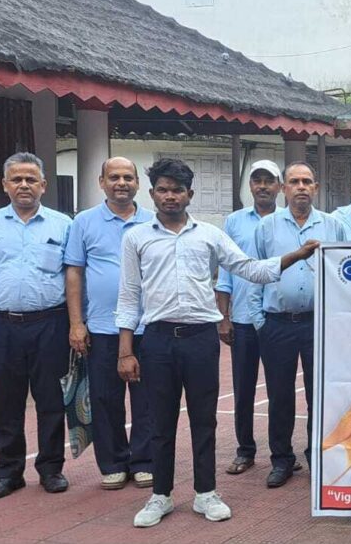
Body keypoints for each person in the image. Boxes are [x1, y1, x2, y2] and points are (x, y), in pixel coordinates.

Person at [117, 158, 318, 528]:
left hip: (200, 339)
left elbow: (250, 268)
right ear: (153, 194)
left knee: (204, 420)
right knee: (159, 420)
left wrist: (296, 256)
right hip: (157, 340)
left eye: (177, 190)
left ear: (189, 194)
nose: (170, 196)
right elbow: (129, 296)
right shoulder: (136, 238)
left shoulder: (209, 234)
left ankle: (205, 493)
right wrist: (126, 351)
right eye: (163, 190)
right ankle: (160, 495)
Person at [0, 152, 73, 500]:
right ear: (5, 185)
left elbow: (73, 277)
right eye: (17, 179)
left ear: (43, 185)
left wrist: (77, 324)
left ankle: (51, 469)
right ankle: (9, 473)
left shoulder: (63, 225)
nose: (24, 185)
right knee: (6, 402)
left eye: (31, 179)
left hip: (51, 324)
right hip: (2, 326)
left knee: (51, 400)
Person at [254, 162, 348, 488]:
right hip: (277, 324)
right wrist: (259, 321)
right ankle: (281, 460)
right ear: (284, 189)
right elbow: (255, 273)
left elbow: (345, 272)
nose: (301, 187)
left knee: (318, 396)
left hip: (317, 325)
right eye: (294, 181)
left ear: (316, 187)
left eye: (307, 181)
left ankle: (317, 458)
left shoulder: (333, 226)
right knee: (279, 396)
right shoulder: (266, 227)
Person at [65, 157, 155, 490]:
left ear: (137, 184)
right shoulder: (84, 222)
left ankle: (145, 461)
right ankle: (114, 462)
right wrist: (77, 323)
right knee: (104, 399)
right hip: (102, 328)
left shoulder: (153, 221)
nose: (121, 183)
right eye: (114, 177)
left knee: (147, 399)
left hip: (147, 326)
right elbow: (74, 272)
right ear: (101, 182)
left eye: (128, 177)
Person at [214, 160, 282, 476]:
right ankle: (245, 450)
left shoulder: (288, 220)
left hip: (277, 318)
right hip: (242, 319)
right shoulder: (234, 222)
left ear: (279, 186)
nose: (263, 186)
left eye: (269, 180)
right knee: (243, 389)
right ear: (250, 185)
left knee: (279, 390)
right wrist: (223, 317)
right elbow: (225, 272)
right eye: (257, 180)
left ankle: (282, 452)